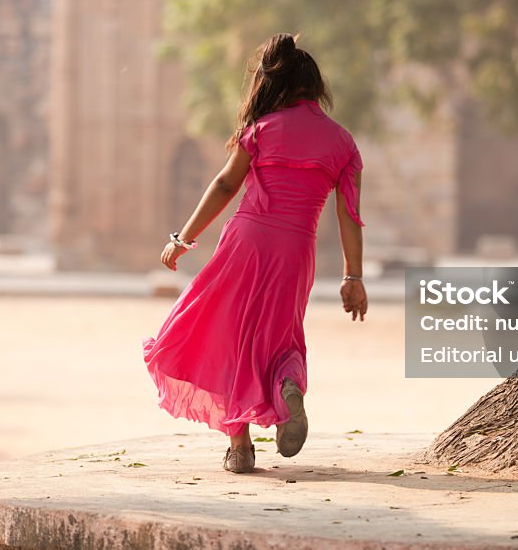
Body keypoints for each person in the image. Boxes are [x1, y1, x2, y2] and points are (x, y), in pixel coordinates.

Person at [145, 33, 368, 474]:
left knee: (230, 335)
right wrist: (352, 278)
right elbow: (350, 217)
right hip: (296, 250)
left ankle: (240, 447)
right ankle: (287, 383)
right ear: (314, 86)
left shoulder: (260, 131)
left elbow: (225, 185)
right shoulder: (342, 143)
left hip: (246, 242)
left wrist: (183, 239)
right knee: (280, 334)